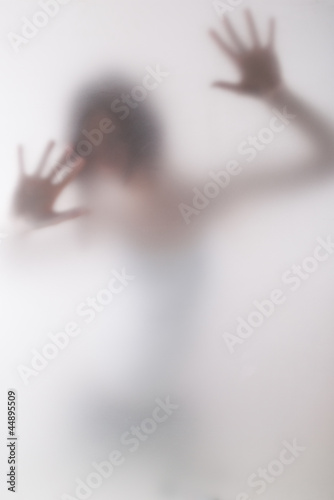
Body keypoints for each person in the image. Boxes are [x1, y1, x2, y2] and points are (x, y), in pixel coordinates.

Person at [8, 10, 334, 499]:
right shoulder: (96, 216)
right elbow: (14, 265)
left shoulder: (201, 195)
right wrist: (22, 225)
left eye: (115, 134)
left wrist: (277, 96)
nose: (107, 153)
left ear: (141, 129)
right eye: (93, 142)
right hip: (102, 402)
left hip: (166, 406)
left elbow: (322, 162)